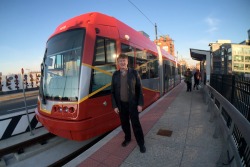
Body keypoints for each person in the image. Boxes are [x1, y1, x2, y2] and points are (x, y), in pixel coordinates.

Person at [111, 53, 146, 153]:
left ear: (127, 62)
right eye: (120, 61)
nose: (122, 62)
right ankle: (127, 138)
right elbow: (112, 91)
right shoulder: (115, 75)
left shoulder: (134, 73)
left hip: (133, 104)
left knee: (136, 124)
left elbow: (139, 89)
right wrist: (115, 106)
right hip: (121, 105)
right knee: (124, 124)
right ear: (118, 63)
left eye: (124, 60)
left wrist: (140, 104)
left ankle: (141, 143)